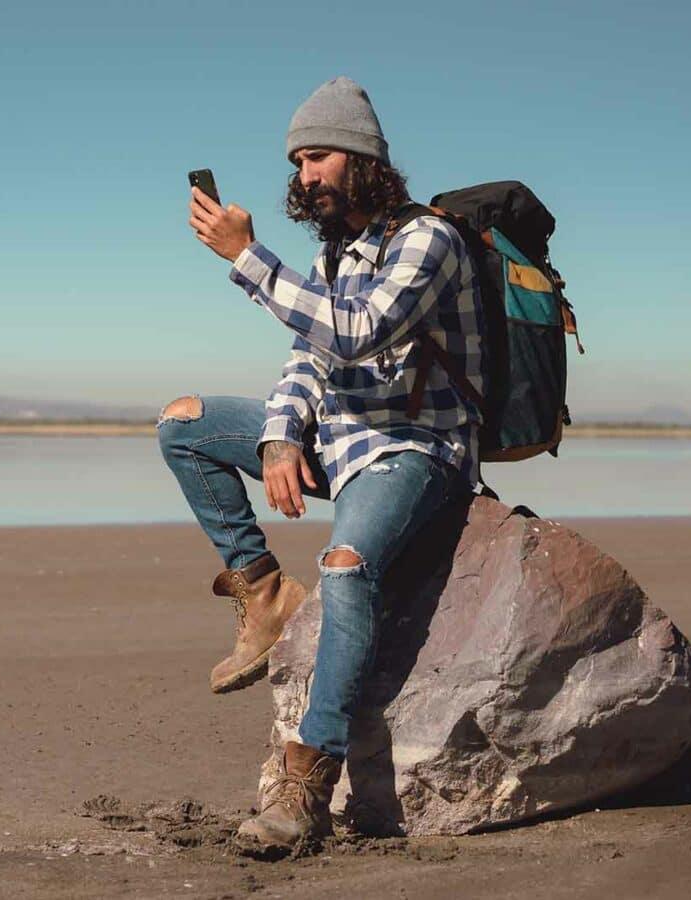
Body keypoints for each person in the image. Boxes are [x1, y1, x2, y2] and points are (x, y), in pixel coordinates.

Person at [159, 76, 483, 847]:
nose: (305, 176)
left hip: (416, 449)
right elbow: (310, 358)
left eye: (319, 158)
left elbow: (359, 334)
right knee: (184, 426)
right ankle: (264, 593)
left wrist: (247, 257)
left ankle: (307, 781)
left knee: (344, 566)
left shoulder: (428, 240)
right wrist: (278, 434)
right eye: (298, 162)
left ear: (364, 159)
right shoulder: (336, 253)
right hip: (340, 436)